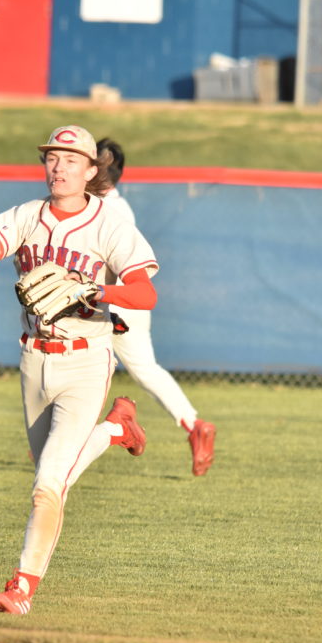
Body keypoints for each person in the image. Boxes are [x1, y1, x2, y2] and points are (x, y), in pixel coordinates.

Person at [0, 125, 159, 615]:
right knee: (53, 478)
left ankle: (22, 588)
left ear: (91, 171)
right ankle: (115, 429)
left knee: (48, 484)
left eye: (71, 160)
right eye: (52, 158)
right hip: (33, 360)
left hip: (86, 360)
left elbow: (145, 293)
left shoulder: (109, 225)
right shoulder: (25, 216)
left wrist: (96, 291)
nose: (59, 167)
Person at [96, 138, 217, 477]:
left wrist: (115, 313)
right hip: (119, 302)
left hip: (116, 304)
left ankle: (64, 437)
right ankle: (194, 425)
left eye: (98, 162)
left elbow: (120, 267)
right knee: (144, 370)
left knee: (84, 367)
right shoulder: (106, 205)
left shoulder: (108, 209)